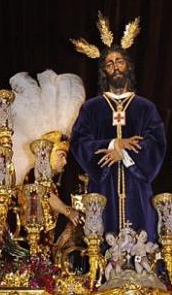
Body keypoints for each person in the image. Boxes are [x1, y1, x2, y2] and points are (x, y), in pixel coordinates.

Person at [70, 48, 166, 240]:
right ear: (104, 71)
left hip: (137, 187)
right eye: (109, 63)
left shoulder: (145, 107)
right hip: (104, 187)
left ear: (128, 66)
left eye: (119, 61)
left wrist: (125, 154)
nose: (115, 67)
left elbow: (156, 143)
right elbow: (79, 141)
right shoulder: (91, 108)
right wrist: (114, 144)